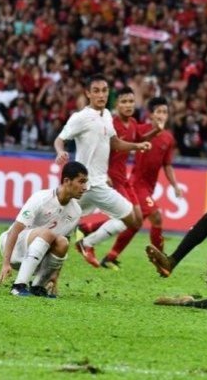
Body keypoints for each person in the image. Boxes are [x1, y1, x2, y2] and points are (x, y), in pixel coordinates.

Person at [54, 75, 151, 268]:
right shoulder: (80, 117)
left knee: (131, 219)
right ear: (88, 93)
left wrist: (137, 146)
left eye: (104, 90)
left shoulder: (107, 115)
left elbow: (115, 143)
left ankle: (87, 242)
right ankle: (47, 276)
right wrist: (60, 151)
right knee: (60, 232)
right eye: (96, 91)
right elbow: (60, 138)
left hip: (99, 184)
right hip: (79, 185)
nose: (101, 94)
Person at [77, 86, 159, 269]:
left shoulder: (133, 123)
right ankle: (87, 242)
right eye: (124, 101)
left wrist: (155, 131)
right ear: (116, 104)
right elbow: (100, 148)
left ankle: (87, 231)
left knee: (136, 221)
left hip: (124, 178)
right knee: (129, 219)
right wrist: (103, 173)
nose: (128, 105)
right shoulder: (111, 124)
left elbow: (139, 138)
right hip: (111, 177)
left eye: (131, 101)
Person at [101, 96, 181, 267]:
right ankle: (160, 260)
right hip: (137, 184)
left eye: (164, 112)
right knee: (157, 218)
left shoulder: (168, 138)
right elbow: (122, 145)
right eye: (158, 112)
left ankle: (110, 256)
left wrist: (174, 185)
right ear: (150, 115)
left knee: (132, 225)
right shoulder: (141, 130)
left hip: (149, 188)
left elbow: (167, 164)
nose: (161, 115)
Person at [0, 161, 88, 297]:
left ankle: (38, 287)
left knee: (63, 242)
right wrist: (6, 263)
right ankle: (18, 286)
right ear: (67, 181)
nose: (85, 187)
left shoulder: (76, 211)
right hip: (13, 245)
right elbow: (15, 229)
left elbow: (64, 244)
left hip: (38, 256)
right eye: (81, 182)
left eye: (85, 182)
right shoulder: (41, 198)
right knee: (48, 234)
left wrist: (55, 275)